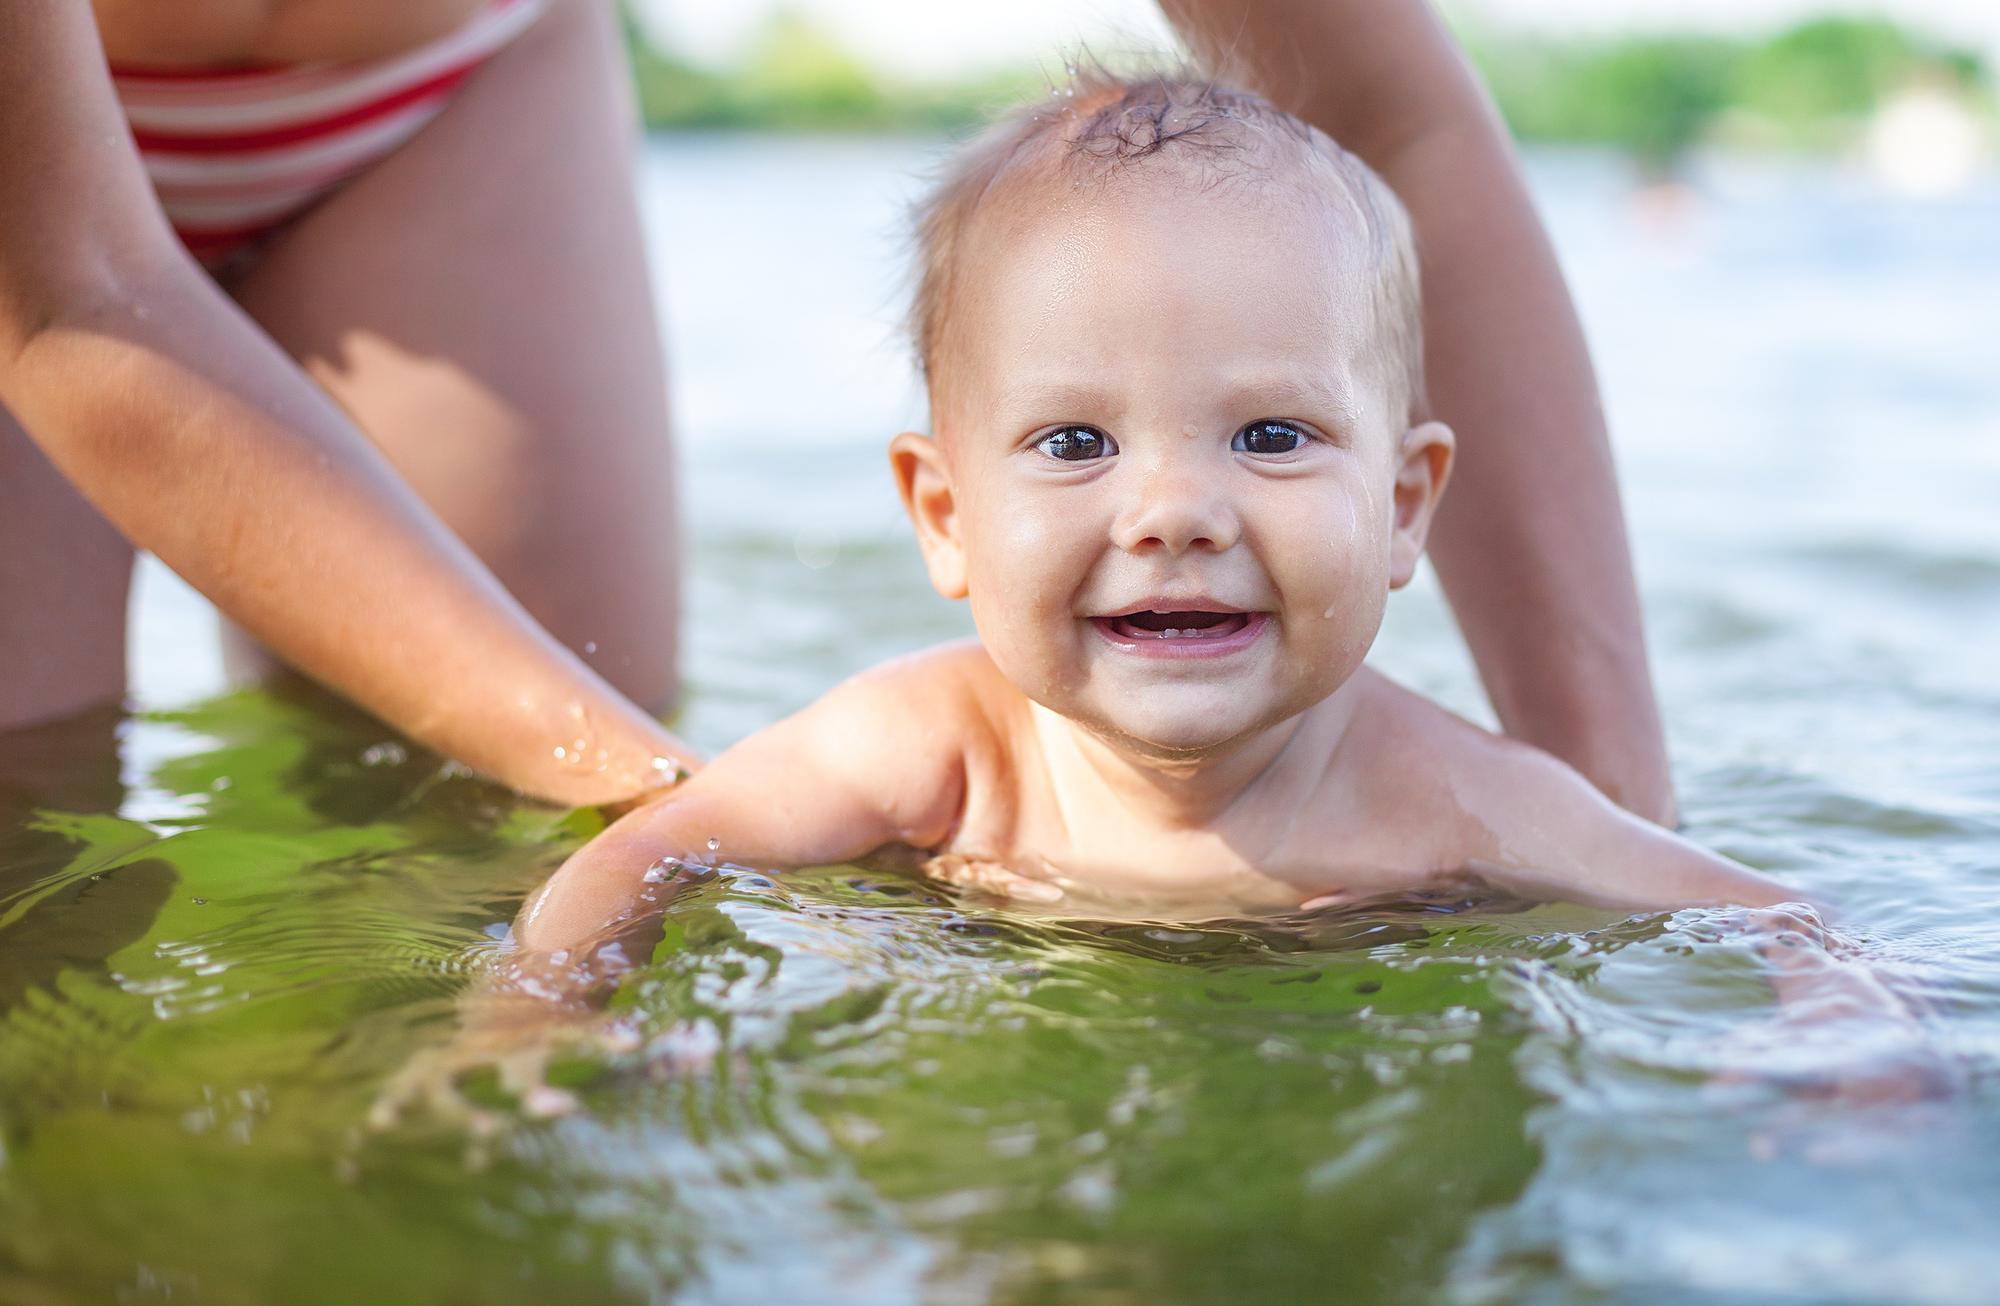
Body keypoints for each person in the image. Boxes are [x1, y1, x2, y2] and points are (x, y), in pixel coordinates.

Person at [372, 76, 1940, 1128]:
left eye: (1269, 436)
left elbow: (1771, 908)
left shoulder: (1454, 798)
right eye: (1074, 443)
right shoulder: (929, 747)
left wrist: (1839, 1031)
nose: (1175, 511)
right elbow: (648, 847)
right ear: (945, 515)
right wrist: (533, 1019)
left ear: (1402, 508)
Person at [0, 1, 1673, 821]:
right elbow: (72, 296)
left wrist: (1610, 829)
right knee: (37, 850)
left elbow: (1397, 120)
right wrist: (672, 801)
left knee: (448, 830)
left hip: (442, 85)